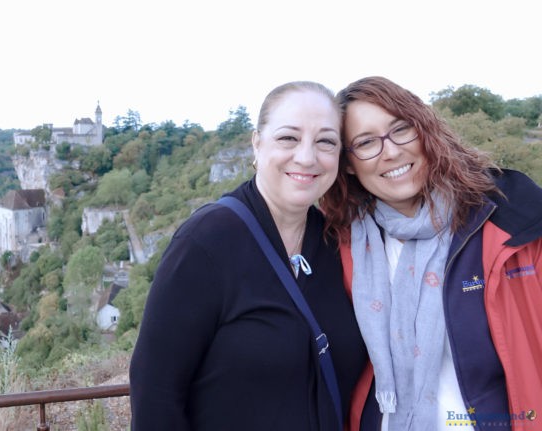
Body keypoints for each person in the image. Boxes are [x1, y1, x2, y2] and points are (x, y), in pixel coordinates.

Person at [129, 81, 368, 430]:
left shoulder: (336, 242)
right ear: (257, 144)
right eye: (289, 137)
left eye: (325, 141)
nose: (306, 156)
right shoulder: (207, 242)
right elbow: (155, 393)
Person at [320, 76, 542, 431]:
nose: (390, 151)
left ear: (424, 131)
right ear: (348, 164)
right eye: (365, 143)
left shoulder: (510, 221)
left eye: (401, 129)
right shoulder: (338, 247)